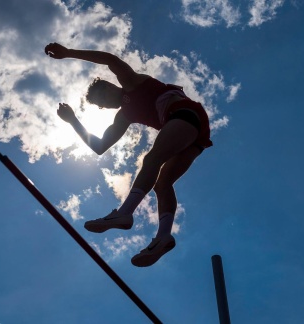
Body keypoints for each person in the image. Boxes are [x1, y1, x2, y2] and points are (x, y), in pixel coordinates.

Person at [45, 42, 213, 267]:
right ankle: (163, 237)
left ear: (111, 85)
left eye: (103, 93)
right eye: (101, 103)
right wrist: (73, 120)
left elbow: (110, 59)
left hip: (185, 114)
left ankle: (124, 213)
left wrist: (68, 53)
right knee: (162, 184)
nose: (105, 100)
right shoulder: (124, 116)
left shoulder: (131, 82)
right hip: (195, 135)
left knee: (152, 159)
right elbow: (100, 146)